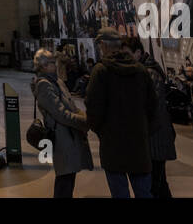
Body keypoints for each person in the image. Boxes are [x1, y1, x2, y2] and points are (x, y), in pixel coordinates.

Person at [84, 29, 157, 198]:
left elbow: (93, 107)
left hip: (112, 144)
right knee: (144, 192)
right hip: (139, 142)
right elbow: (153, 106)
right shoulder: (140, 70)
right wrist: (145, 130)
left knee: (119, 193)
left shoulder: (101, 71)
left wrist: (101, 130)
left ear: (103, 45)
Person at [31, 48, 93, 197]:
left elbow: (70, 105)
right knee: (64, 179)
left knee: (69, 177)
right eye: (52, 63)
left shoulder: (56, 81)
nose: (56, 65)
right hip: (62, 137)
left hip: (70, 135)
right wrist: (84, 120)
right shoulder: (44, 85)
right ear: (44, 66)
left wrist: (82, 115)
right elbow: (61, 114)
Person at [127, 36, 176, 197]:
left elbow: (150, 108)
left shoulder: (149, 73)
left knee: (154, 184)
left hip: (155, 138)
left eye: (128, 54)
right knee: (159, 184)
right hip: (154, 136)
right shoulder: (144, 70)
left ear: (138, 53)